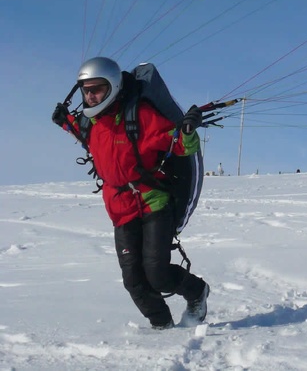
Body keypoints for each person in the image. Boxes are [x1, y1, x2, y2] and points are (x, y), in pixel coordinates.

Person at [51, 57, 210, 330]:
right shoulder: (90, 123)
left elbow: (180, 145)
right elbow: (88, 138)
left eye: (97, 89)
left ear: (112, 87)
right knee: (133, 280)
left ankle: (196, 292)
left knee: (157, 273)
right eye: (85, 90)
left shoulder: (140, 116)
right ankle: (162, 328)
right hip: (120, 206)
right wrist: (66, 124)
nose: (90, 95)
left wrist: (187, 130)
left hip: (152, 200)